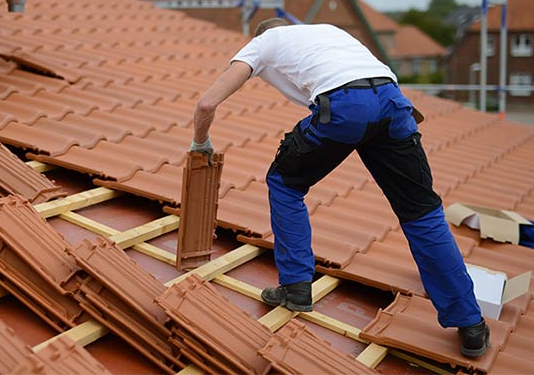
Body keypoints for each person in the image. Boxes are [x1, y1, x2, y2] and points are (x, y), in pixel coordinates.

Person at [189, 18, 489, 357]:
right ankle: (471, 325)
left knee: (284, 183)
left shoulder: (264, 42)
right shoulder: (329, 33)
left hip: (346, 106)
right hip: (393, 101)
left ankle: (295, 288)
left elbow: (207, 104)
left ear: (264, 34)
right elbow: (372, 82)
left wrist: (200, 143)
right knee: (422, 212)